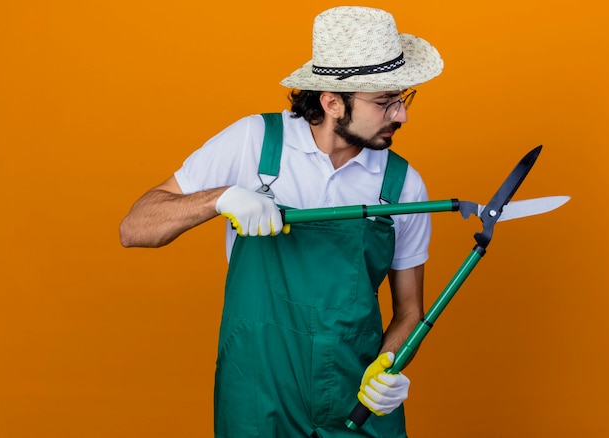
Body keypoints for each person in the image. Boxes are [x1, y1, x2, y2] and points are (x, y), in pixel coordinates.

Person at [120, 6, 443, 438]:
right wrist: (221, 198)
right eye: (385, 102)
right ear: (332, 102)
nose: (401, 115)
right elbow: (135, 228)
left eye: (403, 98)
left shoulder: (403, 185)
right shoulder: (254, 142)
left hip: (355, 394)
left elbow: (409, 312)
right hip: (258, 390)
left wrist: (389, 366)